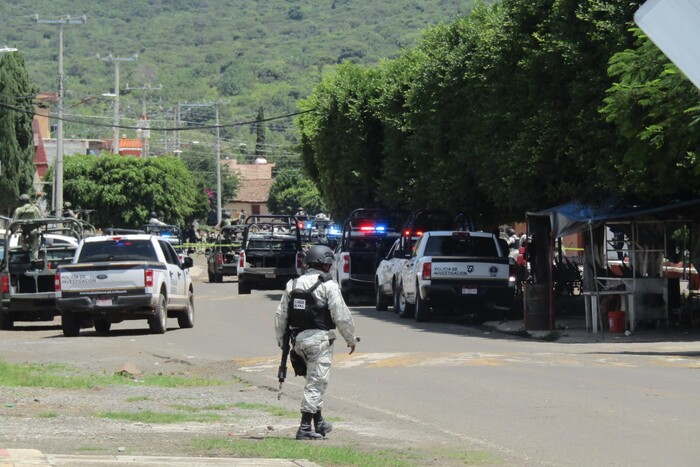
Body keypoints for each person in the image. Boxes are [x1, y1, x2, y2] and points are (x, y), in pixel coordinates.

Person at [274, 245, 359, 440]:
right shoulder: (328, 285)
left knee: (313, 381)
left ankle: (319, 423)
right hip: (319, 342)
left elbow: (280, 315)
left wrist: (282, 342)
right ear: (326, 264)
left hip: (298, 343)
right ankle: (304, 428)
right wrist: (350, 338)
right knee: (316, 384)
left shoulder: (293, 284)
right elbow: (341, 315)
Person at [12, 194, 42, 261]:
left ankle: (26, 256)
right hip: (35, 231)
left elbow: (14, 222)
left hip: (24, 232)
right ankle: (35, 262)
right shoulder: (35, 209)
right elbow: (40, 219)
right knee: (35, 248)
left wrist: (14, 231)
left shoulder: (18, 210)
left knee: (23, 243)